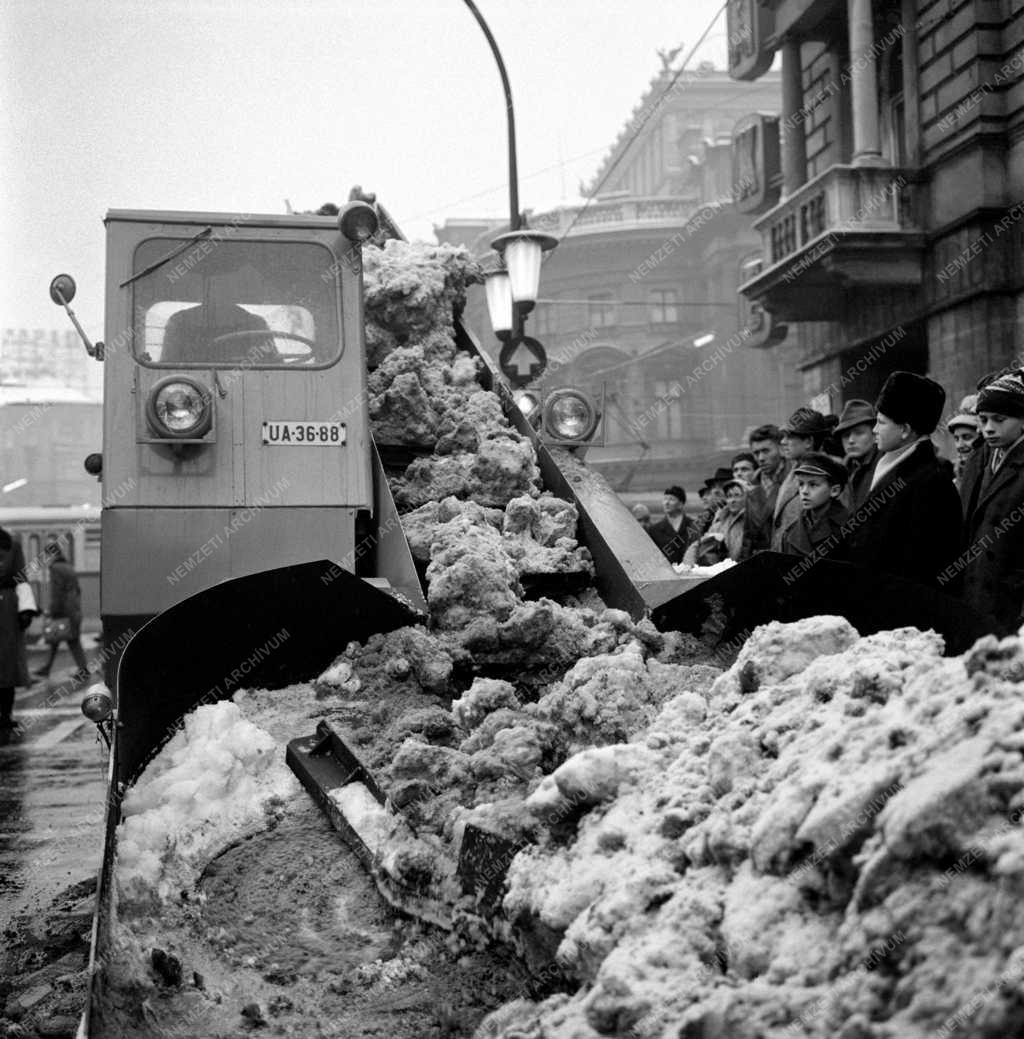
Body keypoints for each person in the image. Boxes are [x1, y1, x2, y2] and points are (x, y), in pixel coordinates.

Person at [845, 371, 961, 586]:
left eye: (881, 422)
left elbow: (921, 568)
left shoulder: (931, 483)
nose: (874, 429)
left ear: (905, 430)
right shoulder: (890, 466)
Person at [959, 369, 1024, 633]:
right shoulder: (985, 460)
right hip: (979, 593)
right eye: (983, 420)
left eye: (999, 419)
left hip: (1011, 600)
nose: (988, 428)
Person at [770, 408, 839, 551]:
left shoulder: (831, 471)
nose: (783, 442)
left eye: (789, 437)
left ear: (808, 441)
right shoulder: (793, 471)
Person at [33, 542, 89, 685]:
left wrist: (52, 610)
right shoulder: (69, 567)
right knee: (58, 639)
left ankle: (83, 670)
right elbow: (77, 590)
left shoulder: (56, 568)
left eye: (46, 556)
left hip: (64, 612)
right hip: (73, 609)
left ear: (51, 554)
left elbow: (57, 593)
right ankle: (47, 668)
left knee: (68, 640)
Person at [780, 452, 851, 561]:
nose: (804, 491)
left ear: (834, 490)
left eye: (813, 485)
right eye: (801, 484)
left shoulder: (849, 528)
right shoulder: (790, 532)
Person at [0, 528, 35, 730]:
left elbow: (21, 578)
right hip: (9, 609)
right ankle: (5, 714)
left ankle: (5, 714)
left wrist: (25, 610)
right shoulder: (13, 544)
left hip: (8, 610)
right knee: (7, 666)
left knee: (7, 667)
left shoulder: (13, 544)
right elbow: (21, 578)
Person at [742, 424, 789, 556]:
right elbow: (748, 538)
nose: (761, 458)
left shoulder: (795, 481)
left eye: (766, 451)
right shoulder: (751, 487)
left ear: (781, 449)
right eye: (756, 453)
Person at [835, 399, 879, 510]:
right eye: (846, 435)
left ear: (874, 435)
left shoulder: (882, 467)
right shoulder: (843, 470)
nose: (851, 440)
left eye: (859, 433)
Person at [648, 485, 694, 565]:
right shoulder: (654, 530)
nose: (666, 503)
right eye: (665, 499)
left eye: (671, 499)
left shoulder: (693, 526)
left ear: (681, 504)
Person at [705, 479, 747, 561]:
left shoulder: (755, 523)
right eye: (729, 496)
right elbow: (708, 551)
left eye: (737, 495)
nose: (732, 500)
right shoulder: (717, 525)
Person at [947, 407, 982, 485]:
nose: (960, 445)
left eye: (967, 437)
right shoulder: (954, 471)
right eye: (956, 439)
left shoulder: (990, 471)